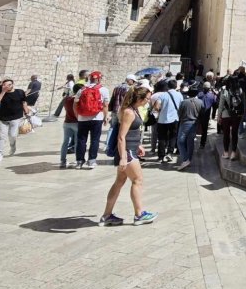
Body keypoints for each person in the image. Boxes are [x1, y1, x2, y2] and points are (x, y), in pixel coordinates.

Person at [99, 86, 158, 226]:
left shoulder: (133, 110)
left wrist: (138, 145)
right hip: (127, 152)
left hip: (131, 149)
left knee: (119, 182)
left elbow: (132, 131)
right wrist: (123, 158)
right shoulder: (128, 112)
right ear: (139, 98)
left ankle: (107, 215)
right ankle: (139, 215)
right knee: (137, 180)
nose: (148, 101)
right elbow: (121, 137)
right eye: (147, 99)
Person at [75, 71, 110, 169]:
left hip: (82, 118)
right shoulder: (103, 89)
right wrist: (105, 116)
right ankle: (92, 161)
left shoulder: (82, 89)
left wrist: (77, 116)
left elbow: (75, 102)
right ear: (98, 79)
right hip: (97, 117)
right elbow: (105, 105)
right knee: (95, 140)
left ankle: (79, 161)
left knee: (81, 140)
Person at [0, 79, 31, 162]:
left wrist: (26, 112)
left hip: (16, 118)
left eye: (8, 85)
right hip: (2, 118)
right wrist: (3, 92)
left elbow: (24, 102)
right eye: (4, 85)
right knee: (1, 136)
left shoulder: (20, 92)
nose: (6, 86)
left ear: (12, 85)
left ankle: (13, 147)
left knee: (12, 135)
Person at [153, 79, 182, 164]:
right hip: (175, 119)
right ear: (176, 86)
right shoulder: (179, 95)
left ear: (168, 86)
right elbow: (181, 106)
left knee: (162, 137)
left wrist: (161, 110)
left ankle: (161, 156)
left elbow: (156, 107)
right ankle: (170, 153)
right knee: (173, 136)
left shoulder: (162, 95)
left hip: (162, 119)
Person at [176, 89, 204, 170]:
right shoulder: (200, 102)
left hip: (185, 123)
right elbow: (203, 113)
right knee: (190, 142)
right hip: (195, 123)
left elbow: (179, 113)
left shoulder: (184, 102)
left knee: (180, 142)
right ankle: (189, 160)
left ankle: (185, 159)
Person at [219, 75, 244, 160]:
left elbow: (221, 105)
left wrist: (219, 117)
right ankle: (233, 153)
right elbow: (243, 103)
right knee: (234, 133)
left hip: (226, 115)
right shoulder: (240, 90)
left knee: (226, 134)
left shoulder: (224, 90)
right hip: (236, 115)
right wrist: (242, 114)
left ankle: (226, 153)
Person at [59, 92, 79, 168]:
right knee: (77, 142)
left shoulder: (66, 99)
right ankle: (78, 160)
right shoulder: (78, 99)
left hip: (67, 123)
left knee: (65, 142)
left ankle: (62, 161)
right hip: (76, 123)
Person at [197, 82, 217, 149]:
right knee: (204, 130)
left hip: (198, 114)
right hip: (206, 115)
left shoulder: (199, 94)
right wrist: (213, 115)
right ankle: (202, 144)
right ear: (209, 88)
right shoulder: (212, 96)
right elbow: (215, 105)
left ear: (203, 87)